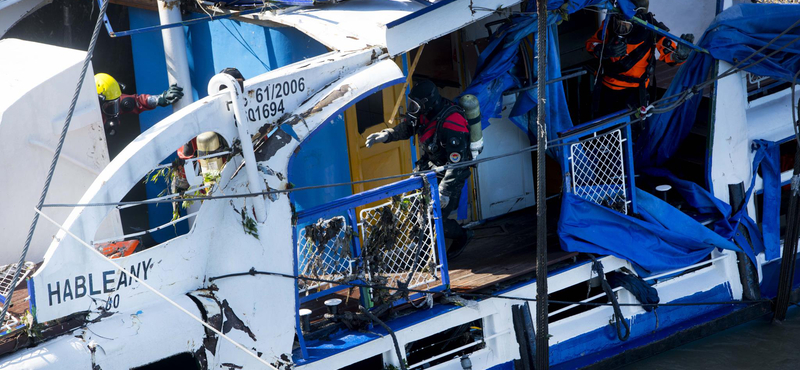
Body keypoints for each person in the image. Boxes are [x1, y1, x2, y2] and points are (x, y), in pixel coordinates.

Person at [365, 79, 473, 259]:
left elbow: (457, 165)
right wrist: (386, 135)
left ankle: (461, 236)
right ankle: (424, 256)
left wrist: (444, 191)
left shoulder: (452, 122)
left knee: (432, 217)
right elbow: (407, 127)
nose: (411, 108)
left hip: (450, 177)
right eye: (411, 103)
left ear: (428, 102)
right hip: (428, 171)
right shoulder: (424, 113)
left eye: (415, 104)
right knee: (417, 214)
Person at [586, 0, 693, 118]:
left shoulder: (652, 28)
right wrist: (603, 50)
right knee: (603, 126)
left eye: (626, 25)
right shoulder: (609, 23)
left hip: (634, 92)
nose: (621, 29)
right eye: (619, 24)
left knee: (632, 129)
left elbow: (671, 57)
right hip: (606, 88)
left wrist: (680, 55)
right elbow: (591, 44)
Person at [94, 73, 184, 136]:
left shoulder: (110, 101)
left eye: (115, 103)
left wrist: (160, 99)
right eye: (110, 106)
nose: (115, 108)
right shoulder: (85, 113)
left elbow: (135, 102)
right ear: (98, 101)